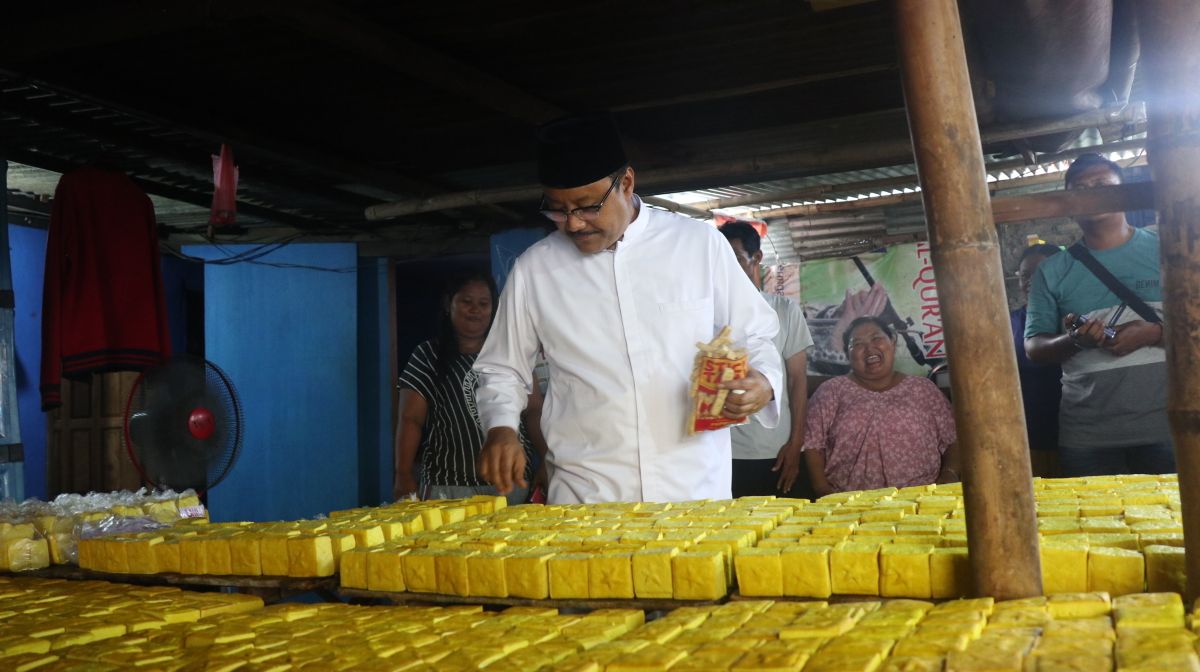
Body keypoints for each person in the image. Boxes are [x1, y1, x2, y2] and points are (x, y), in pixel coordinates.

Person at [473, 113, 783, 504]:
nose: (571, 224)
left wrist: (764, 383)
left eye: (586, 206)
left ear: (627, 183)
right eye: (557, 209)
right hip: (587, 499)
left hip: (693, 494)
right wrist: (500, 428)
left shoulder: (696, 244)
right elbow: (503, 366)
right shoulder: (536, 269)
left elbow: (754, 334)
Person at [1024, 153, 1171, 476]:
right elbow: (1034, 347)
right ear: (1070, 202)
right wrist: (1076, 340)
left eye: (1102, 185)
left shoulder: (1168, 249)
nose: (1091, 193)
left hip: (1172, 426)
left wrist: (1154, 333)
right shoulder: (1051, 271)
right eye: (1081, 188)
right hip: (1088, 436)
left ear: (1123, 191)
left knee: (1181, 525)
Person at [393, 272, 548, 505]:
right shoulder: (428, 355)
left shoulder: (510, 355)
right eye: (466, 302)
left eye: (483, 304)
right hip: (446, 487)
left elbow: (534, 411)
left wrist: (547, 460)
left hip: (508, 483)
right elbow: (410, 419)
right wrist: (403, 474)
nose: (475, 310)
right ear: (449, 304)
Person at [803, 316, 959, 495]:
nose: (869, 348)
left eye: (876, 338)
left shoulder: (923, 389)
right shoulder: (831, 391)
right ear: (848, 354)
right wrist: (823, 492)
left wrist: (950, 474)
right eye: (857, 344)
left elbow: (952, 439)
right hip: (851, 503)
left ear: (892, 341)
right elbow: (812, 445)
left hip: (922, 500)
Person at [719, 221, 814, 497]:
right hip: (722, 451)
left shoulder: (784, 310)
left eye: (735, 258)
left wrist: (796, 444)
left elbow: (797, 381)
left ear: (756, 258)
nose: (727, 267)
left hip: (774, 450)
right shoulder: (707, 313)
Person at [1011, 244, 1063, 457]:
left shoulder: (1077, 319)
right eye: (1025, 275)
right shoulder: (1007, 324)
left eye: (1041, 274)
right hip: (1027, 440)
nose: (1031, 281)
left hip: (1080, 432)